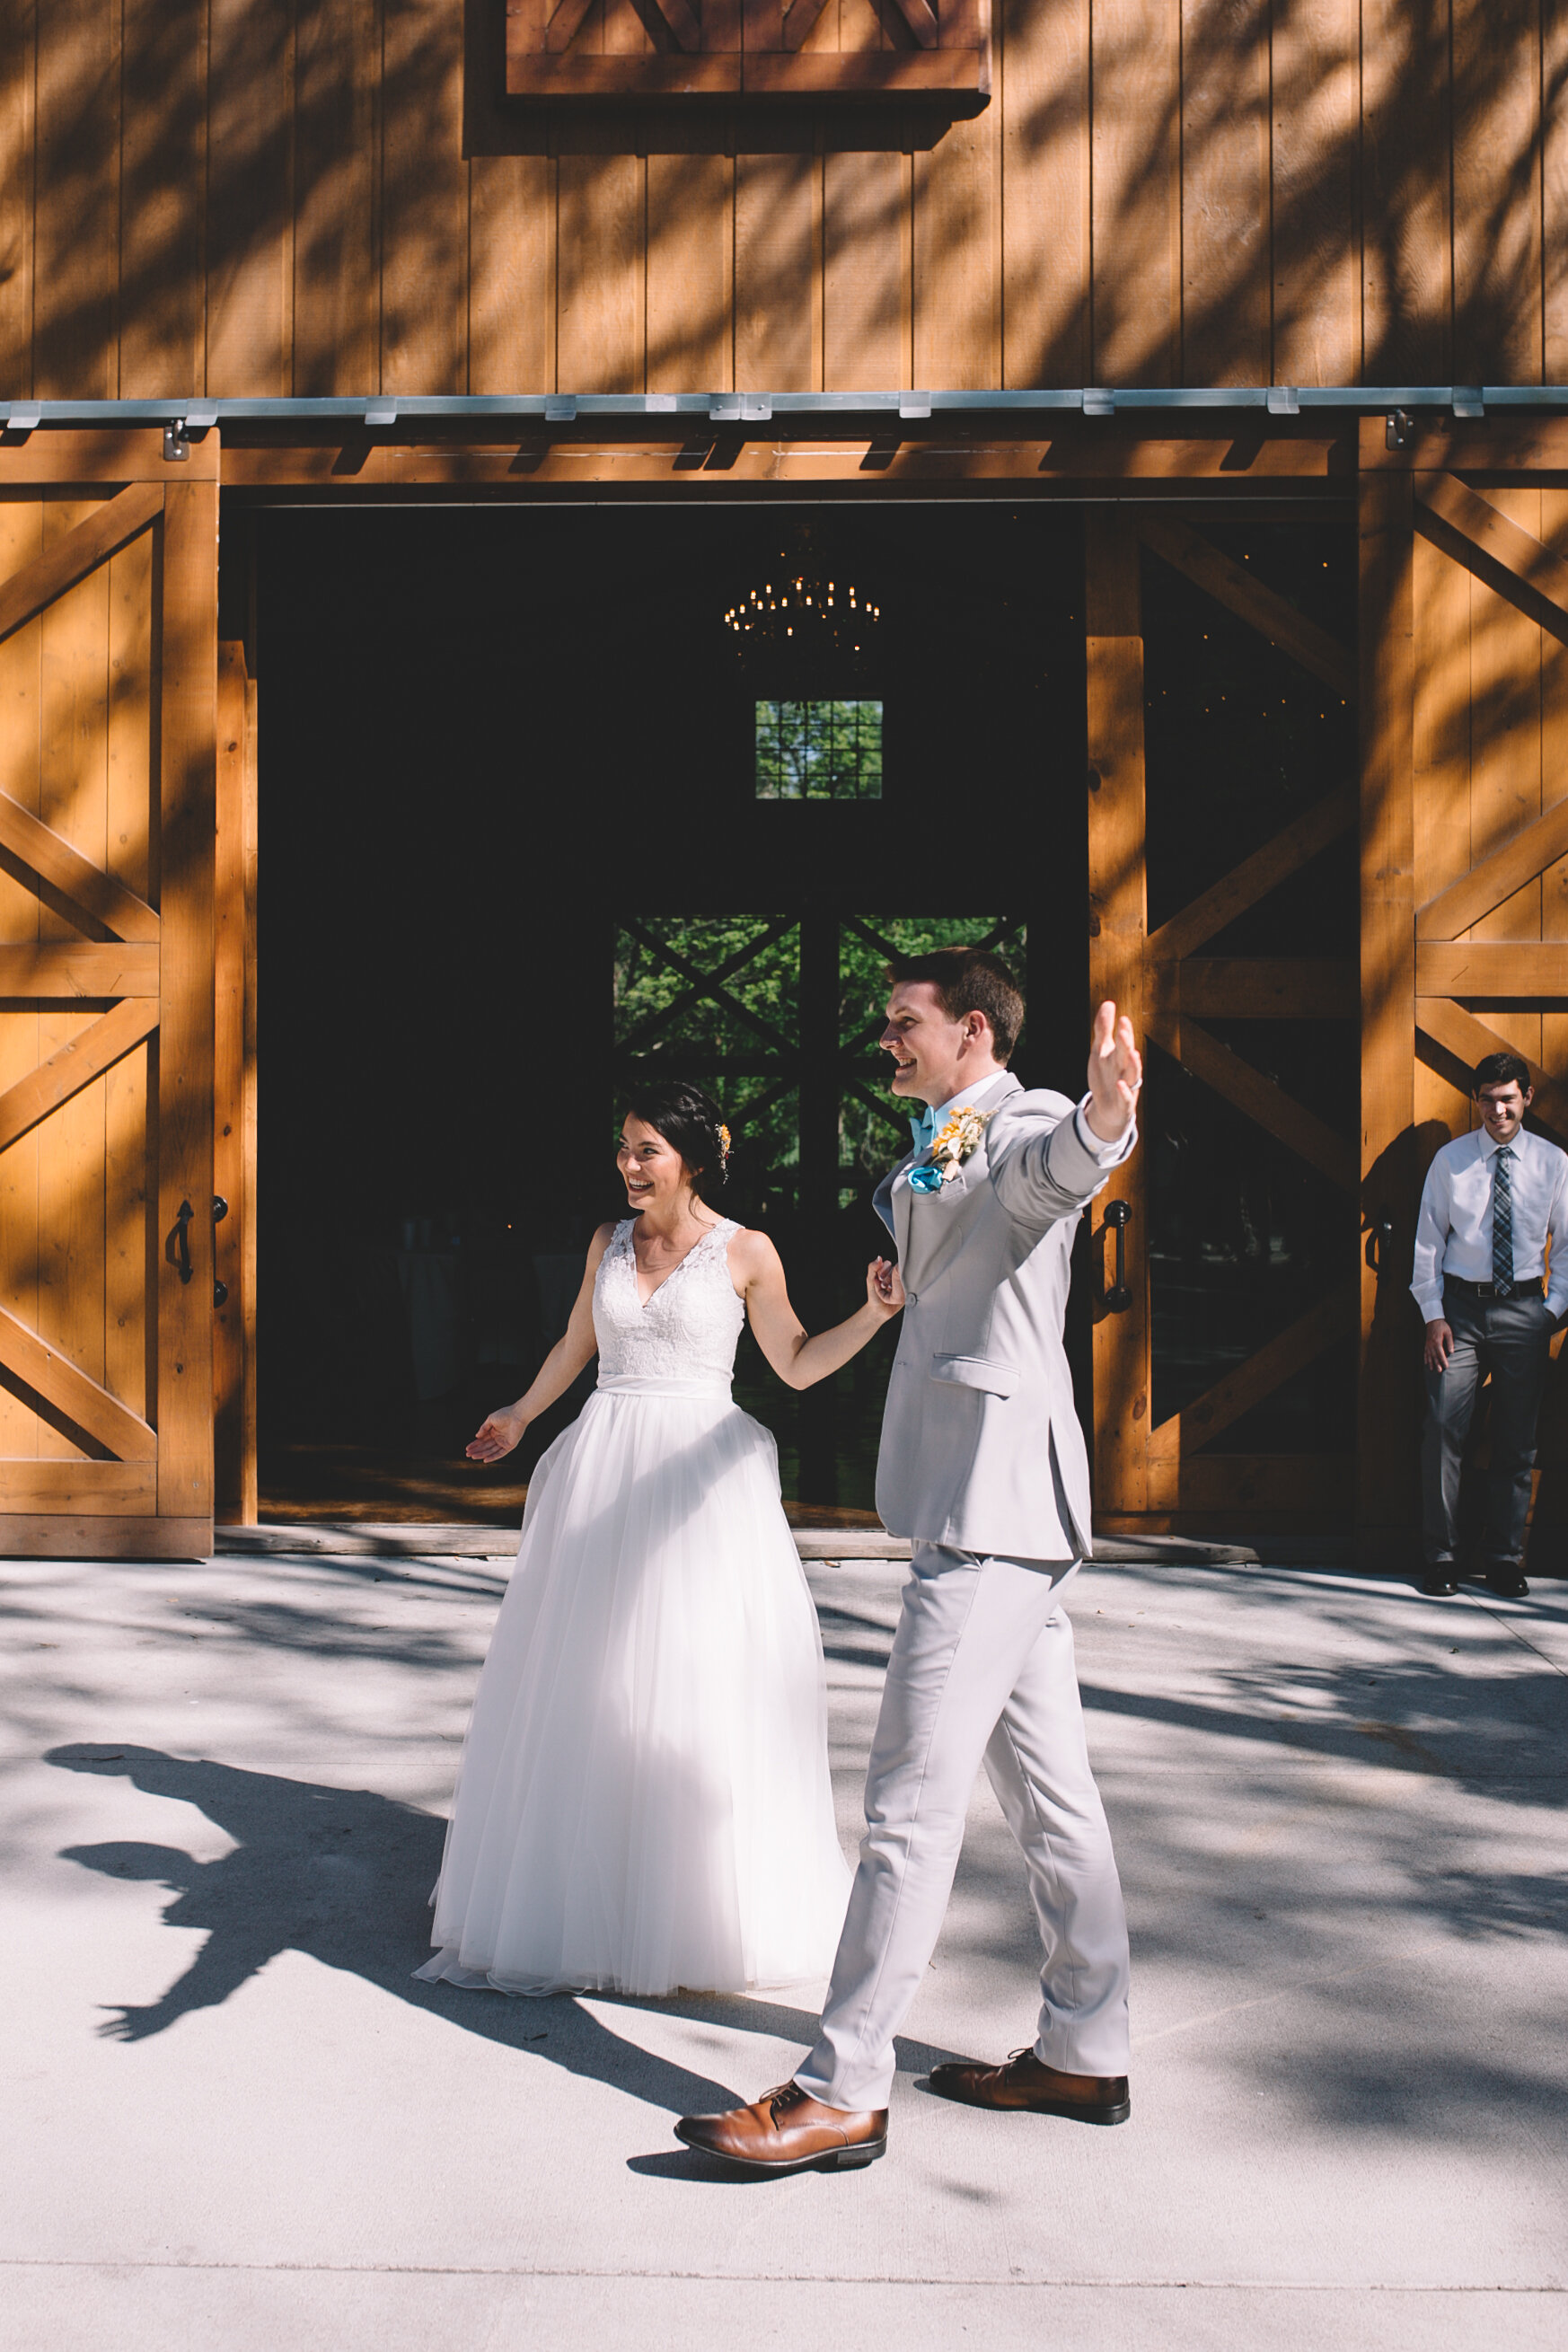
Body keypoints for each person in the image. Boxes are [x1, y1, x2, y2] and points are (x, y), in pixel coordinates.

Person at [676, 949, 1141, 2176]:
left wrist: (1105, 1114)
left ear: (970, 1029)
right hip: (989, 1506)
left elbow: (1052, 1172)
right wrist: (902, 1281)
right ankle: (1087, 2042)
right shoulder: (936, 1136)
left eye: (902, 1024)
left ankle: (841, 2083)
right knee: (1052, 1798)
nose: (884, 1040)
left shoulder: (1027, 1116)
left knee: (905, 1804)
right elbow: (952, 1242)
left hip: (990, 1509)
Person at [414, 1079, 903, 1999]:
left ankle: (685, 1910)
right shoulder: (606, 1241)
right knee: (585, 1681)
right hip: (599, 1469)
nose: (627, 1166)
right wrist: (519, 1414)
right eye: (624, 1148)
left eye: (645, 1150)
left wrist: (874, 1316)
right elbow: (575, 1343)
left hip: (698, 1487)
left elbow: (795, 1367)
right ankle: (575, 1898)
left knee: (691, 1681)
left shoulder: (747, 1252)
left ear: (695, 1158)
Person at [1411, 1051, 1568, 1601]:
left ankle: (1504, 1558)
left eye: (1507, 1098)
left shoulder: (1554, 1163)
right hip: (1459, 1312)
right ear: (1475, 1100)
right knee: (1442, 1434)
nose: (1497, 1109)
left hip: (1526, 1313)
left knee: (1516, 1442)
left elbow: (1567, 1247)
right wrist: (1434, 1317)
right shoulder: (1450, 1161)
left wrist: (1549, 1312)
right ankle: (1443, 1557)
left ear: (1527, 1097)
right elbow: (1428, 1243)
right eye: (1487, 1098)